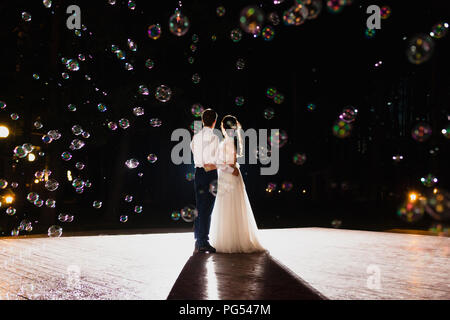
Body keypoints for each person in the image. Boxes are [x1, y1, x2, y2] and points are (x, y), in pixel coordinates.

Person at [209, 115, 266, 253]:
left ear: (223, 127)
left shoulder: (228, 142)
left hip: (230, 176)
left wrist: (219, 165)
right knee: (228, 207)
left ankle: (233, 240)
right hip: (227, 176)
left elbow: (231, 164)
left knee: (231, 207)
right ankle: (230, 238)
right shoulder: (228, 141)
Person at [190, 109, 238, 253]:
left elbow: (194, 151)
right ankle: (203, 242)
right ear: (215, 121)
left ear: (203, 120)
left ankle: (198, 240)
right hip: (209, 174)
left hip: (198, 173)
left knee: (200, 207)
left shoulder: (196, 137)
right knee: (206, 209)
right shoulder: (214, 137)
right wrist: (231, 170)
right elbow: (215, 161)